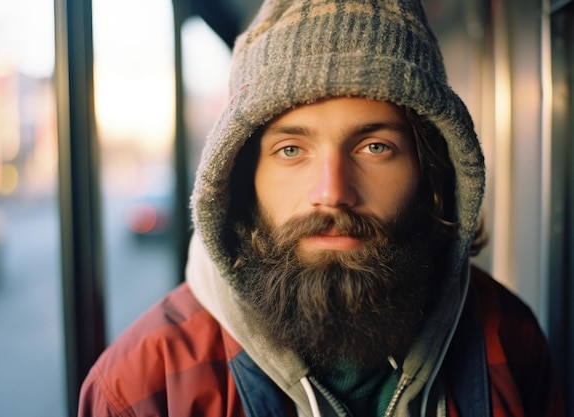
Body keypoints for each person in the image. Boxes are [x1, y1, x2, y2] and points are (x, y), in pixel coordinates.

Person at [79, 1, 564, 416]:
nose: (332, 192)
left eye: (374, 147)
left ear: (431, 174)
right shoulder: (141, 390)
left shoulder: (510, 338)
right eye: (291, 150)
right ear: (242, 181)